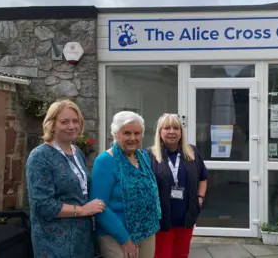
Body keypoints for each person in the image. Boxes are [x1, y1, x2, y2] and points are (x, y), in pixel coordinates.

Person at [26, 99, 105, 258]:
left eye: (75, 121)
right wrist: (83, 210)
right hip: (55, 241)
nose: (71, 126)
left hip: (82, 238)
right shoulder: (40, 156)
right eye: (64, 122)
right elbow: (42, 205)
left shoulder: (76, 152)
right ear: (51, 125)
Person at [90, 111, 161, 258]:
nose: (132, 138)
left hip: (145, 231)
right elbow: (99, 207)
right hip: (115, 235)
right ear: (116, 134)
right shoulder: (104, 161)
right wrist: (124, 239)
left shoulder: (143, 157)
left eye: (137, 133)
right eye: (127, 133)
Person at [147, 113, 209, 258]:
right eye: (166, 128)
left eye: (176, 128)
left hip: (186, 218)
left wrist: (199, 198)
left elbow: (203, 178)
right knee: (162, 255)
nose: (171, 132)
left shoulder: (192, 152)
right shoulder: (149, 155)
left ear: (181, 132)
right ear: (160, 132)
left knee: (181, 254)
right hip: (161, 221)